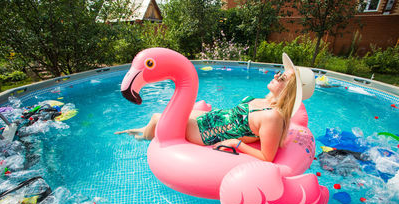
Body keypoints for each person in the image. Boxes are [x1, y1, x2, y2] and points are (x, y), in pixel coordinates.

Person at [115, 53, 315, 162]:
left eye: (281, 77)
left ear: (289, 91)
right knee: (160, 116)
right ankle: (141, 131)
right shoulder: (263, 101)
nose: (275, 76)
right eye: (279, 73)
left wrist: (237, 144)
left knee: (158, 118)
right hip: (213, 118)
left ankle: (141, 136)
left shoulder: (273, 117)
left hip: (209, 132)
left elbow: (267, 157)